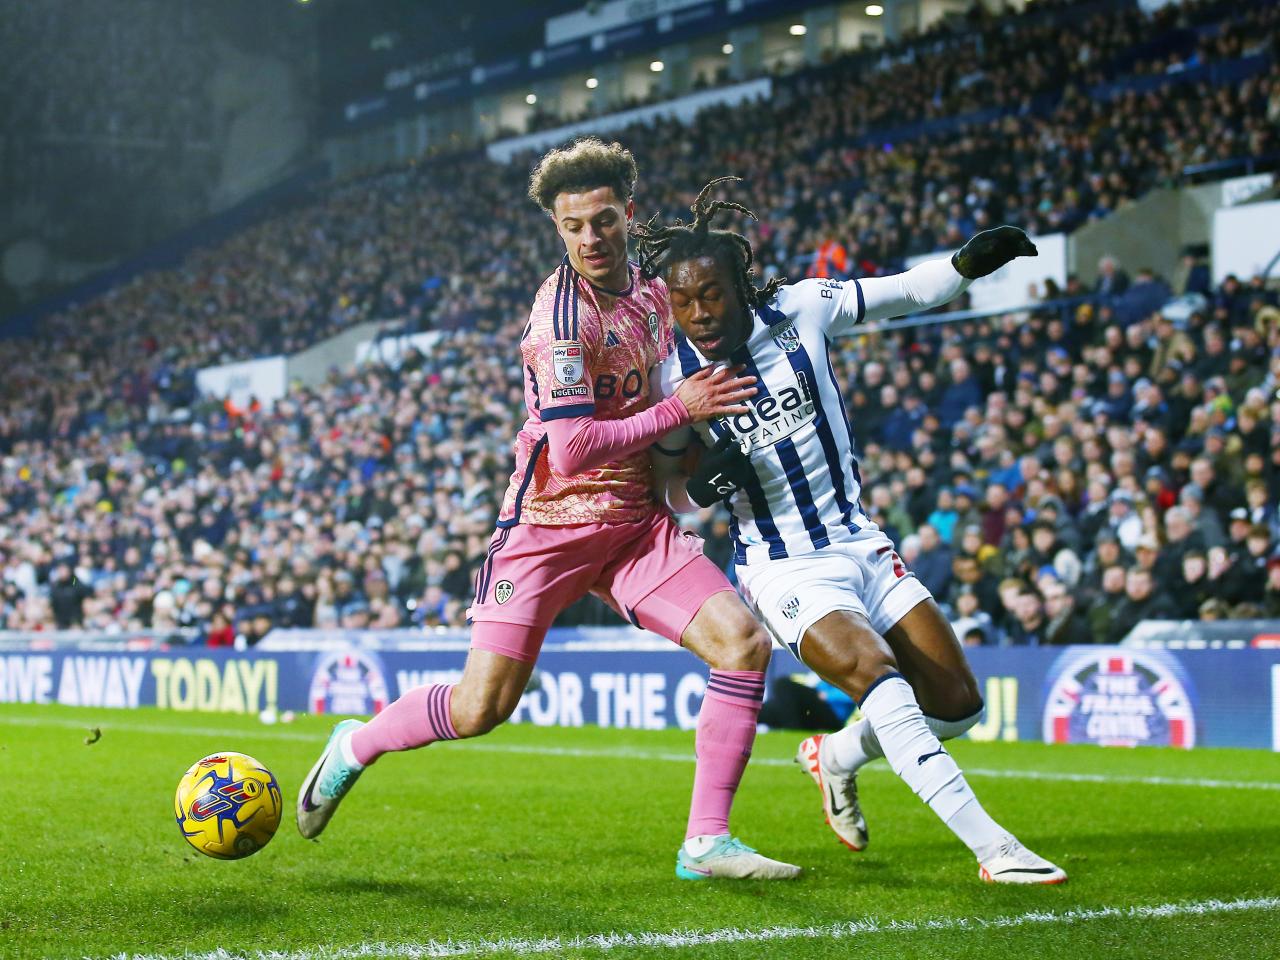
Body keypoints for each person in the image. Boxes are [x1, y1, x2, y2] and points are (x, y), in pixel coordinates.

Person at [296, 141, 800, 881]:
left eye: (603, 220)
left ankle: (706, 842)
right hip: (547, 529)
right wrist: (676, 411)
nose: (591, 238)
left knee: (743, 645)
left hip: (633, 526)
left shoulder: (657, 295)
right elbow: (570, 451)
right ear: (557, 232)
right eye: (573, 227)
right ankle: (355, 745)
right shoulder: (560, 320)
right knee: (479, 709)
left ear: (628, 214)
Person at [639, 179, 1065, 884]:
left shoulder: (801, 308)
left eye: (710, 294)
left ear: (738, 283)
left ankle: (835, 757)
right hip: (784, 568)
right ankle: (995, 849)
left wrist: (966, 264)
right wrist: (705, 488)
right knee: (880, 678)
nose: (698, 314)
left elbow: (907, 292)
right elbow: (672, 492)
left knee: (957, 707)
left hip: (860, 542)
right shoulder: (674, 379)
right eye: (682, 302)